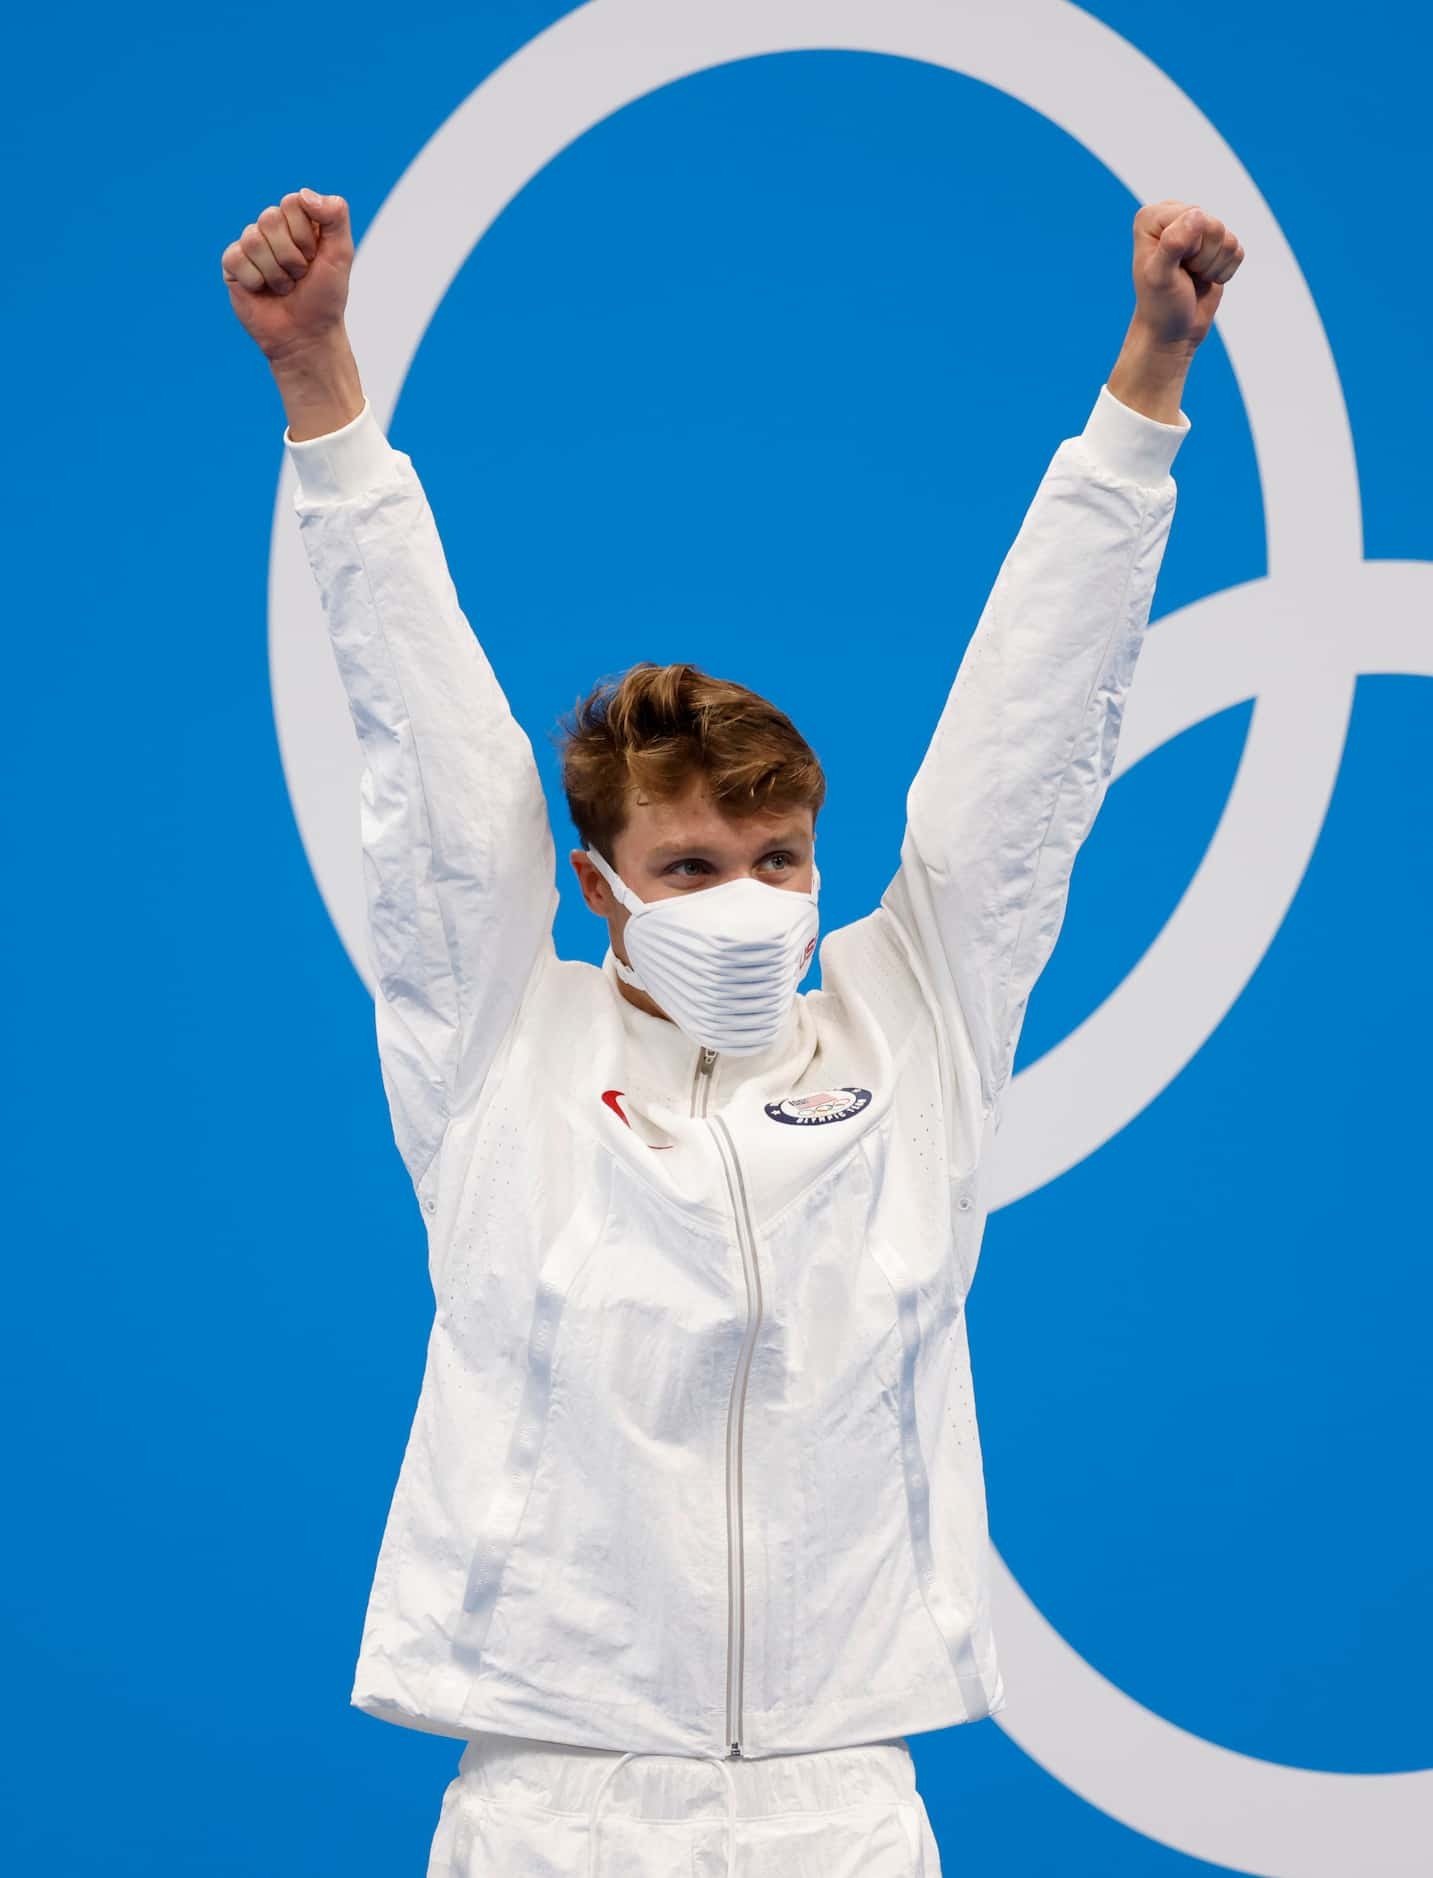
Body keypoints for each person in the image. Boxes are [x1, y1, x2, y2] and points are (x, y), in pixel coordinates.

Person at [222, 185, 1243, 1876]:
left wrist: (1145, 393)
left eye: (780, 859)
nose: (751, 901)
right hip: (558, 1796)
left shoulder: (909, 1025)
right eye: (690, 864)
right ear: (600, 886)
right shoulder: (499, 1055)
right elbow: (434, 768)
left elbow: (1026, 749)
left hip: (842, 1800)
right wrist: (323, 391)